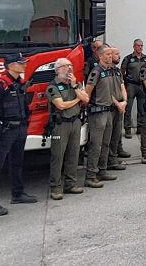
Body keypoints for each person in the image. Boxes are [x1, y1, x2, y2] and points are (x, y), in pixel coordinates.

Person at [0, 53, 37, 218]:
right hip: (6, 130)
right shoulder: (0, 85)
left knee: (17, 163)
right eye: (21, 63)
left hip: (20, 127)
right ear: (11, 65)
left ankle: (18, 194)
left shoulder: (19, 82)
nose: (24, 65)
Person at [46, 58, 89, 200]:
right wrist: (77, 100)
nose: (69, 68)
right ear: (58, 70)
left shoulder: (75, 84)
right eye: (65, 66)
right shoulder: (53, 86)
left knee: (73, 154)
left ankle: (70, 184)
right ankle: (56, 187)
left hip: (75, 122)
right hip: (61, 124)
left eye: (70, 65)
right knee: (58, 157)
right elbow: (61, 105)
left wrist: (75, 86)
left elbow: (86, 99)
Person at [84, 45, 126, 188]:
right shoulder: (96, 71)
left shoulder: (110, 71)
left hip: (108, 110)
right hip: (98, 112)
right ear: (101, 56)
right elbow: (87, 92)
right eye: (107, 54)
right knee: (96, 144)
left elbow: (116, 89)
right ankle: (90, 175)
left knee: (106, 143)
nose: (110, 56)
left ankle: (102, 170)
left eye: (111, 54)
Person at [106, 46, 131, 170]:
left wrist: (124, 101)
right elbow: (106, 91)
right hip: (110, 107)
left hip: (120, 106)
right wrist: (118, 104)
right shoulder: (104, 72)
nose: (118, 56)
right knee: (108, 136)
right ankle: (108, 161)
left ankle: (113, 159)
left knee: (116, 135)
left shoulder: (117, 71)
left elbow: (122, 86)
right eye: (116, 54)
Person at [121, 39, 146, 136]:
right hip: (131, 85)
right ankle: (127, 129)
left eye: (141, 45)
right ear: (134, 46)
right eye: (138, 45)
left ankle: (140, 127)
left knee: (142, 108)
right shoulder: (128, 58)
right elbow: (122, 72)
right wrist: (124, 84)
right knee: (128, 108)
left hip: (142, 85)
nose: (140, 47)